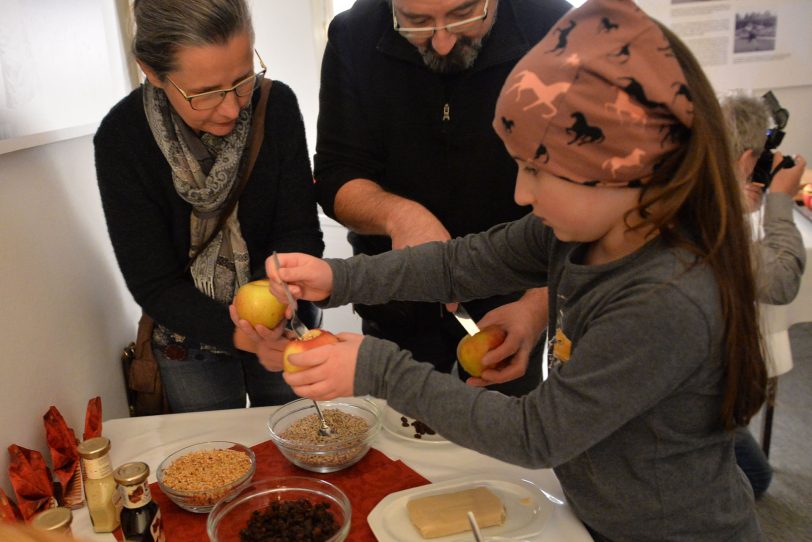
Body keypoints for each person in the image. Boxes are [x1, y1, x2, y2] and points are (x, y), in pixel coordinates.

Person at [241, 0, 767, 539]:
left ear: (619, 173)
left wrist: (377, 369)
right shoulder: (576, 231)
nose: (520, 192)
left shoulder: (663, 298)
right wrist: (338, 279)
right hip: (596, 513)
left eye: (537, 171)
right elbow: (459, 263)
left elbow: (535, 433)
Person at [312, 0, 571, 395]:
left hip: (512, 309)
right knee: (395, 446)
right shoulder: (354, 34)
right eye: (416, 22)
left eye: (463, 15)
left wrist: (536, 309)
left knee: (496, 445)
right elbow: (336, 174)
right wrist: (398, 216)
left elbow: (578, 203)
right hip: (396, 303)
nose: (443, 42)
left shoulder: (555, 27)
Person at [95, 0, 324, 413]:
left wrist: (280, 301)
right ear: (151, 71)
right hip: (189, 341)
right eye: (204, 94)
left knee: (302, 447)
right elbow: (154, 283)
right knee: (216, 462)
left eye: (242, 80)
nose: (234, 108)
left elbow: (299, 232)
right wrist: (243, 334)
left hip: (282, 323)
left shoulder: (277, 107)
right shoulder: (122, 139)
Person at [720, 92, 807, 498]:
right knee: (756, 478)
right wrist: (780, 200)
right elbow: (782, 281)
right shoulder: (709, 227)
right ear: (745, 160)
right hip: (698, 398)